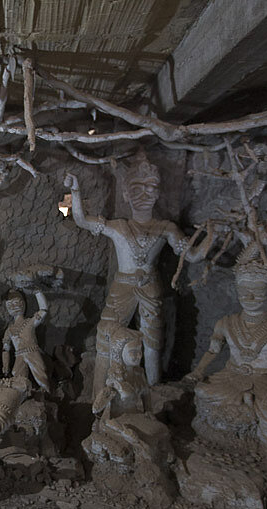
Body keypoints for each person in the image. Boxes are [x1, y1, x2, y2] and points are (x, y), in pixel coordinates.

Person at [64, 150, 212, 395]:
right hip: (122, 286)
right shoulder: (120, 227)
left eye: (150, 188)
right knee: (106, 335)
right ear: (126, 194)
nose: (143, 195)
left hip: (150, 286)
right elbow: (82, 220)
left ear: (158, 192)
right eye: (136, 189)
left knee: (153, 341)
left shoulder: (166, 228)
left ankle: (152, 393)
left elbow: (193, 255)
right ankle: (99, 393)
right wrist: (76, 190)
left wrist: (213, 235)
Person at [187, 245, 267, 450]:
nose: (249, 298)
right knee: (202, 391)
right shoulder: (225, 323)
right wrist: (198, 370)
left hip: (264, 378)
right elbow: (213, 350)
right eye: (244, 291)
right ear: (237, 290)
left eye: (257, 292)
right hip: (230, 375)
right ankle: (234, 411)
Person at [1, 289, 50, 392]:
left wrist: (37, 292)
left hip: (32, 352)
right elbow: (5, 350)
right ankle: (25, 396)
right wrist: (5, 366)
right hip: (19, 356)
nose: (13, 307)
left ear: (23, 304)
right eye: (9, 305)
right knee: (17, 376)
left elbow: (44, 309)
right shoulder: (9, 330)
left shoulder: (29, 322)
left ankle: (46, 394)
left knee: (41, 376)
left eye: (15, 303)